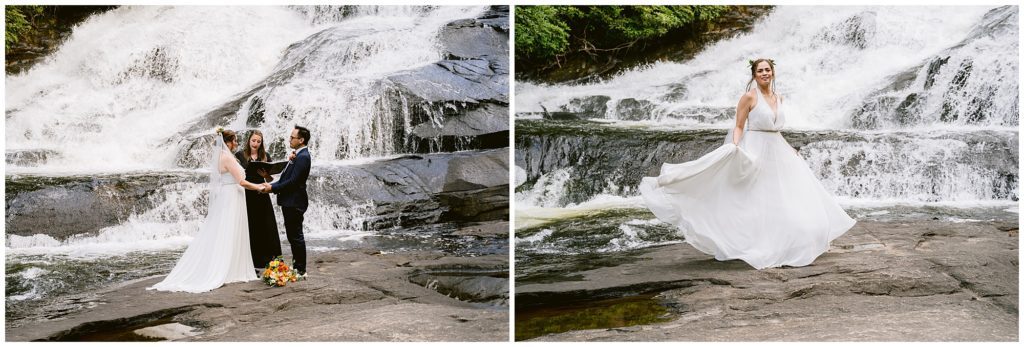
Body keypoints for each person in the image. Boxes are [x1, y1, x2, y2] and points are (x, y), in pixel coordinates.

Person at [639, 58, 856, 269]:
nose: (764, 73)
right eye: (760, 70)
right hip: (756, 147)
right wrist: (735, 145)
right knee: (755, 196)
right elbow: (739, 126)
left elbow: (775, 128)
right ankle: (754, 241)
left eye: (767, 70)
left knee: (785, 195)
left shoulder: (779, 97)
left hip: (778, 149)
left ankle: (794, 239)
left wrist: (789, 147)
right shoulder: (748, 98)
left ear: (773, 73)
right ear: (754, 75)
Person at [149, 129, 266, 293]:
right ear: (228, 142)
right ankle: (231, 269)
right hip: (233, 195)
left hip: (229, 195)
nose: (238, 144)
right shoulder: (227, 158)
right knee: (231, 231)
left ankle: (230, 266)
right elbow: (242, 181)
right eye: (235, 141)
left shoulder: (219, 157)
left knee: (226, 231)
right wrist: (260, 186)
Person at [259, 125, 311, 276]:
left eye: (292, 137)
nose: (290, 139)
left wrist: (272, 188)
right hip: (290, 201)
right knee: (293, 236)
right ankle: (297, 267)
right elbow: (286, 178)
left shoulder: (303, 157)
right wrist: (270, 183)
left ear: (301, 140)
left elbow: (293, 182)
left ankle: (301, 270)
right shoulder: (297, 155)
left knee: (296, 236)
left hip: (295, 202)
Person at [235, 130, 283, 271]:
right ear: (249, 140)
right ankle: (251, 260)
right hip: (248, 193)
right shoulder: (240, 155)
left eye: (258, 141)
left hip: (262, 193)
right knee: (251, 225)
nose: (255, 143)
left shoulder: (265, 156)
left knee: (267, 225)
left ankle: (269, 259)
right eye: (253, 140)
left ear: (261, 143)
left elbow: (269, 179)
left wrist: (266, 175)